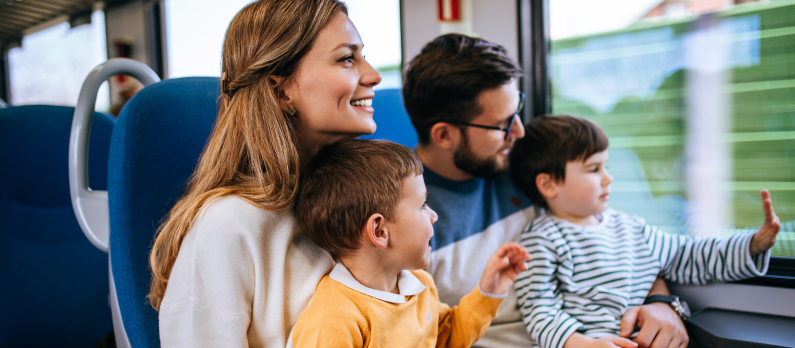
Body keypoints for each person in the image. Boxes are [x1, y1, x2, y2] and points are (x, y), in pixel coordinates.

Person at [403, 33, 690, 348]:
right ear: (444, 135)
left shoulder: (532, 165)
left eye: (518, 110)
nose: (520, 131)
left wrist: (662, 302)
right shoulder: (404, 215)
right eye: (502, 123)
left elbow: (619, 240)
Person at [147, 1, 382, 346]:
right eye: (347, 58)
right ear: (281, 89)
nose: (373, 74)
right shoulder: (227, 228)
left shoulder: (357, 198)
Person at [510, 115, 780, 348]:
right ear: (548, 185)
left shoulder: (631, 228)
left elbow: (688, 255)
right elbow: (538, 307)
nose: (608, 177)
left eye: (606, 166)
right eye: (593, 169)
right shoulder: (541, 238)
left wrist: (753, 245)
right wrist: (581, 343)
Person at [289, 139, 531, 347]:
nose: (433, 215)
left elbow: (447, 337)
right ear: (380, 231)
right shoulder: (333, 319)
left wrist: (489, 291)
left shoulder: (420, 283)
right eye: (422, 205)